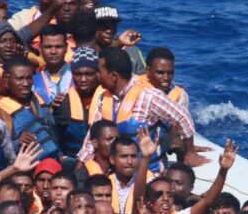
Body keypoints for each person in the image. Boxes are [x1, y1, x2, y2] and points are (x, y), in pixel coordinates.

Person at [79, 48, 207, 171]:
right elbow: (92, 136)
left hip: (148, 171)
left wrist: (190, 152)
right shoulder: (104, 97)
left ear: (113, 76)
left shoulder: (148, 96)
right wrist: (81, 167)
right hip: (116, 171)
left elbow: (183, 116)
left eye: (99, 71)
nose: (97, 75)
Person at [0, 56, 60, 160]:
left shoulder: (39, 102)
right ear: (7, 79)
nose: (26, 84)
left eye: (29, 78)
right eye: (19, 79)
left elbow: (53, 134)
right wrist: (17, 143)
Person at [53, 47, 97, 157]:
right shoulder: (64, 104)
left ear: (98, 74)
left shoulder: (107, 100)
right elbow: (55, 137)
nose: (83, 79)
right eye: (78, 74)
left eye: (89, 74)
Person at [92, 6, 145, 75]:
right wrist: (119, 43)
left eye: (112, 25)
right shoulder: (84, 49)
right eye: (104, 25)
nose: (109, 31)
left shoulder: (133, 52)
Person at [32, 26, 72, 103]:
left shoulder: (78, 76)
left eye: (58, 47)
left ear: (66, 48)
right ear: (40, 48)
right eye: (48, 47)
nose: (53, 51)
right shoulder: (32, 82)